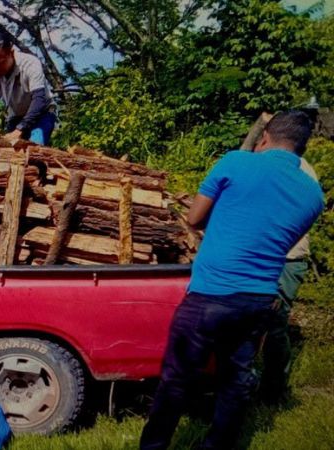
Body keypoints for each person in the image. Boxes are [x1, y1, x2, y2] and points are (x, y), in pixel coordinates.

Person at [139, 111, 324, 450]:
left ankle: (154, 446)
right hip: (258, 299)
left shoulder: (235, 162)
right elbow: (273, 238)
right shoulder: (314, 194)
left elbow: (194, 219)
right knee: (235, 380)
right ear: (302, 147)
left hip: (209, 294)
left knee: (177, 379)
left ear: (265, 136)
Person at [259, 157, 318, 405]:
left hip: (287, 257)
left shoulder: (301, 169)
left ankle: (273, 392)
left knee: (275, 323)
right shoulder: (260, 163)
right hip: (259, 254)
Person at [0, 32, 57, 146]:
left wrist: (19, 130)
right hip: (15, 116)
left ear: (11, 52)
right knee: (10, 152)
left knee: (35, 148)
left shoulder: (30, 64)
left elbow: (39, 99)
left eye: (0, 62)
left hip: (42, 113)